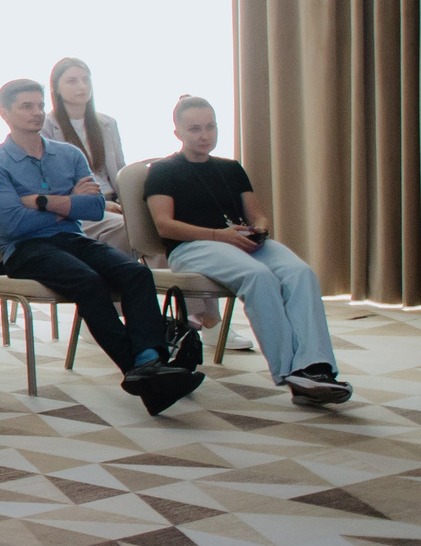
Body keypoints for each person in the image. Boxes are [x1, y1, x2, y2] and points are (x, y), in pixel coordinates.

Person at [0, 78, 200, 415]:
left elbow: (95, 208)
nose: (37, 112)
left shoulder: (68, 155)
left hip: (73, 239)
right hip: (25, 250)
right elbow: (14, 224)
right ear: (4, 113)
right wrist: (69, 203)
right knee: (89, 283)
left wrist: (40, 202)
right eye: (26, 106)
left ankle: (148, 361)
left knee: (136, 274)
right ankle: (139, 369)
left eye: (40, 105)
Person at [144, 97, 346, 406]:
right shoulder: (163, 170)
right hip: (193, 247)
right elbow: (165, 226)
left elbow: (258, 215)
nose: (204, 135)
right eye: (195, 129)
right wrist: (219, 236)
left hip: (240, 241)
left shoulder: (231, 168)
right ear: (178, 133)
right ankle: (292, 372)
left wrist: (259, 229)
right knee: (258, 276)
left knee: (300, 272)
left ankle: (315, 366)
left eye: (210, 127)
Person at [45, 58, 130, 249]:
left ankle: (161, 279)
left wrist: (128, 203)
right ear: (56, 88)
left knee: (153, 226)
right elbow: (52, 181)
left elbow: (119, 169)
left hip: (114, 200)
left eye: (86, 79)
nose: (82, 86)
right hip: (80, 207)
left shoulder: (107, 123)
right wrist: (98, 204)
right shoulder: (46, 127)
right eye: (72, 81)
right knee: (127, 228)